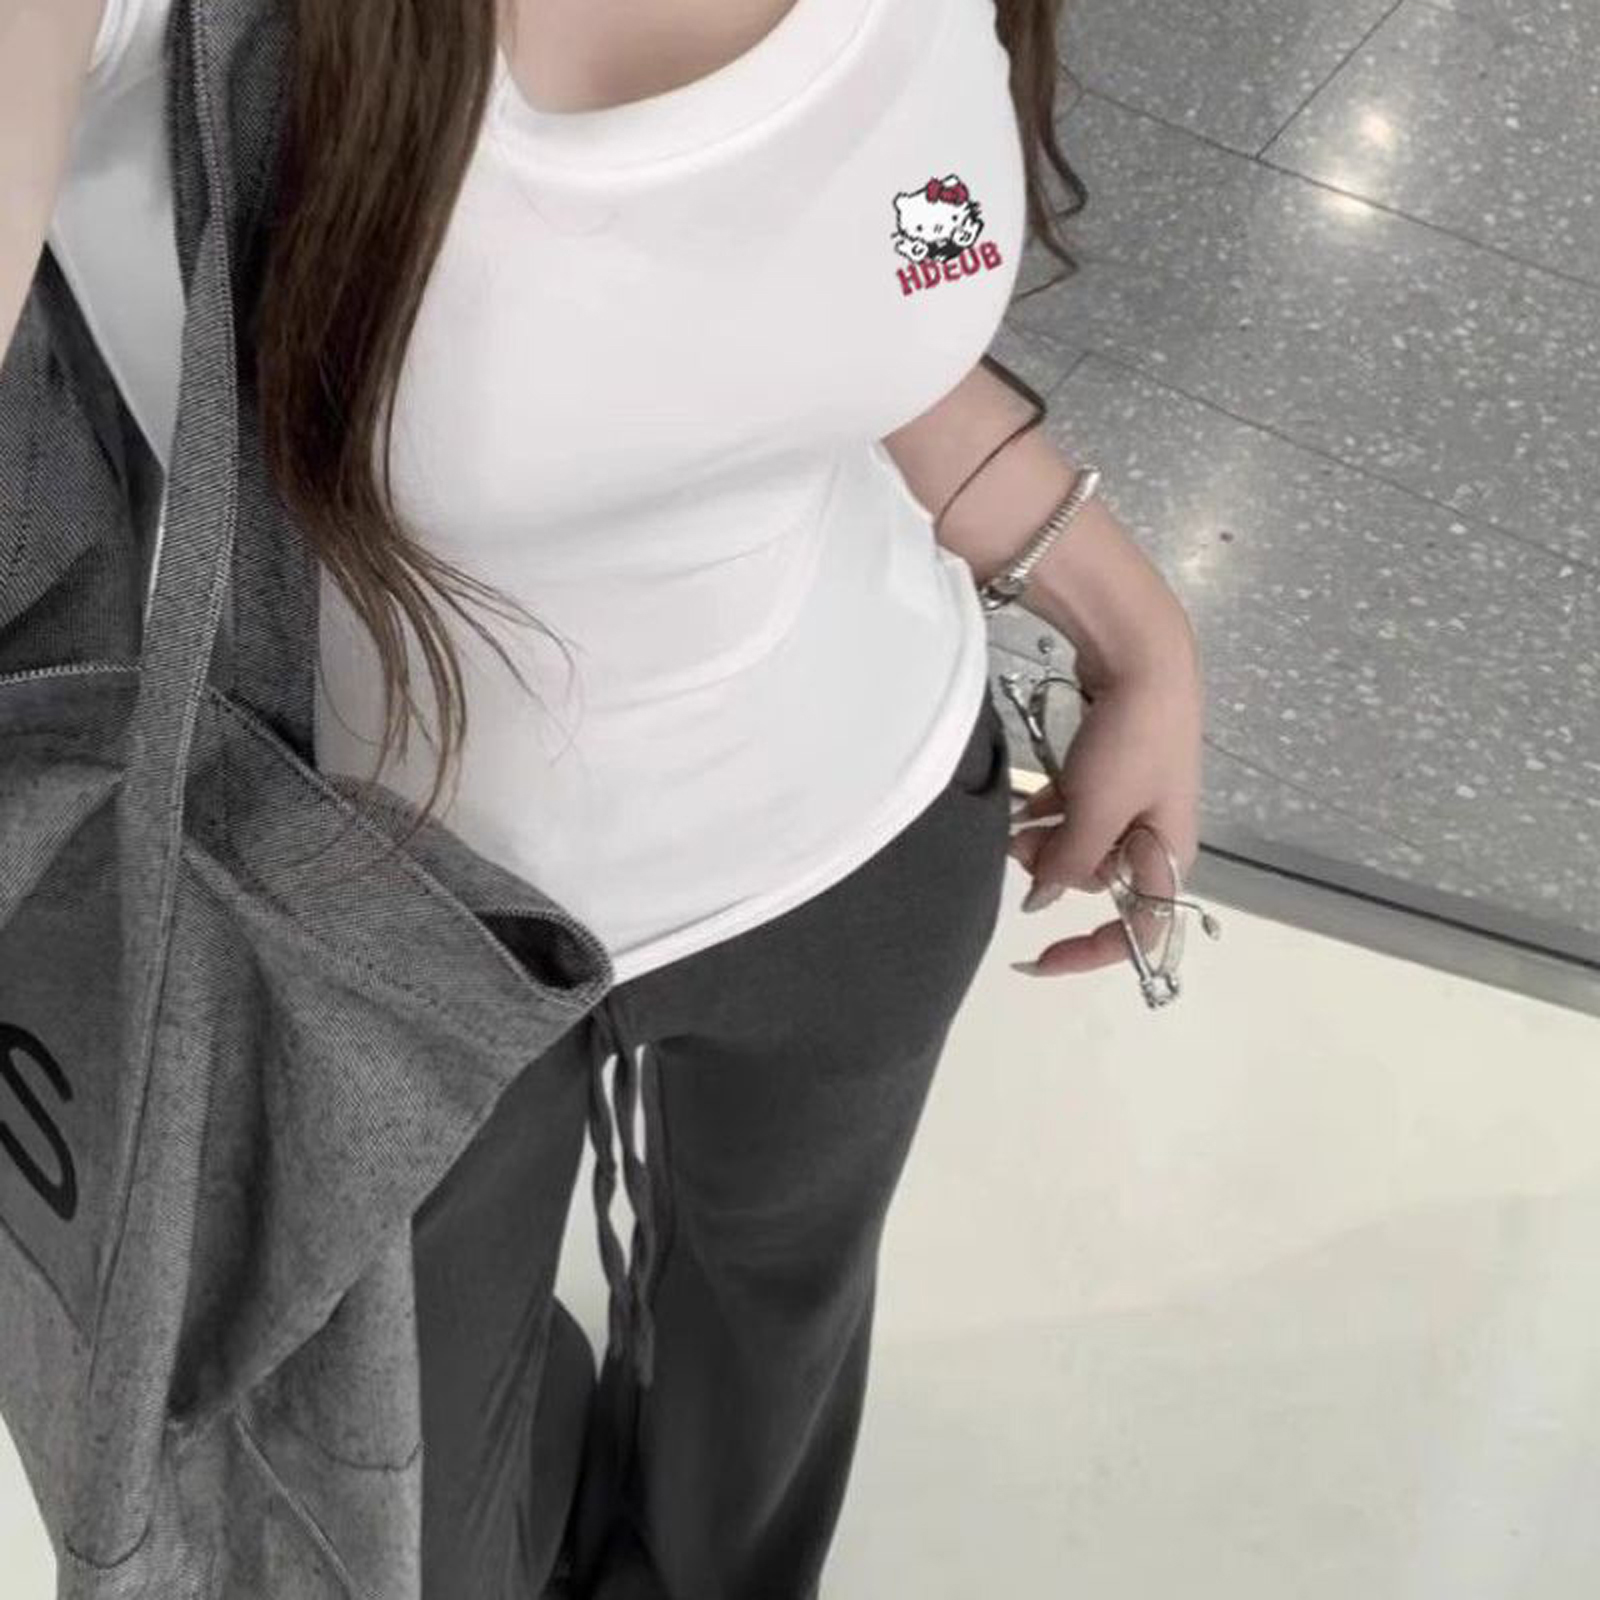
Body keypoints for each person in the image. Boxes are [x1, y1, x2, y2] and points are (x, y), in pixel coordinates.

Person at [1, 0, 1203, 1594]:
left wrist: (1130, 621)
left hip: (866, 840)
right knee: (408, 1533)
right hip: (372, 952)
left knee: (771, 1368)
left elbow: (870, 267)